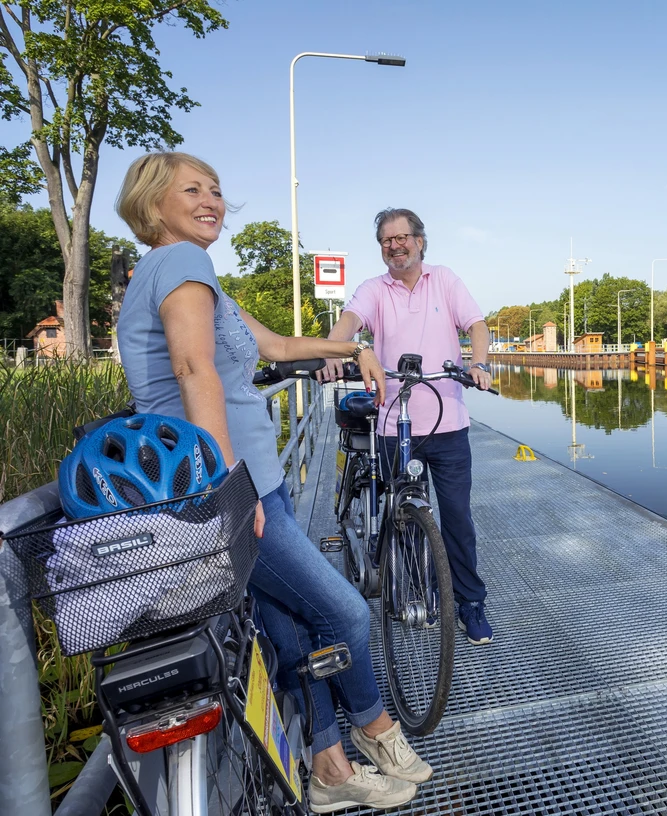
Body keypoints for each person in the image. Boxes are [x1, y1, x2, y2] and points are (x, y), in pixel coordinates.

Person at [114, 152, 430, 813]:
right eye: (191, 190)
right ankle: (377, 729)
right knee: (342, 610)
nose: (212, 200)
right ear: (152, 204)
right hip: (232, 487)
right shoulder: (179, 263)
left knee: (288, 629)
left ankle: (330, 770)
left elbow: (279, 348)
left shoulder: (195, 279)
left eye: (217, 190)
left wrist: (353, 347)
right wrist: (231, 488)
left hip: (239, 482)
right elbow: (193, 368)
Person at [320, 208, 495, 645]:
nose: (394, 245)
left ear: (420, 241)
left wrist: (479, 362)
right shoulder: (374, 290)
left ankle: (471, 603)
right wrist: (331, 350)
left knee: (456, 517)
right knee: (403, 515)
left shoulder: (445, 280)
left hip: (447, 420)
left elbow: (476, 324)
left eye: (402, 237)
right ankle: (420, 592)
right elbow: (351, 322)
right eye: (386, 241)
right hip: (392, 422)